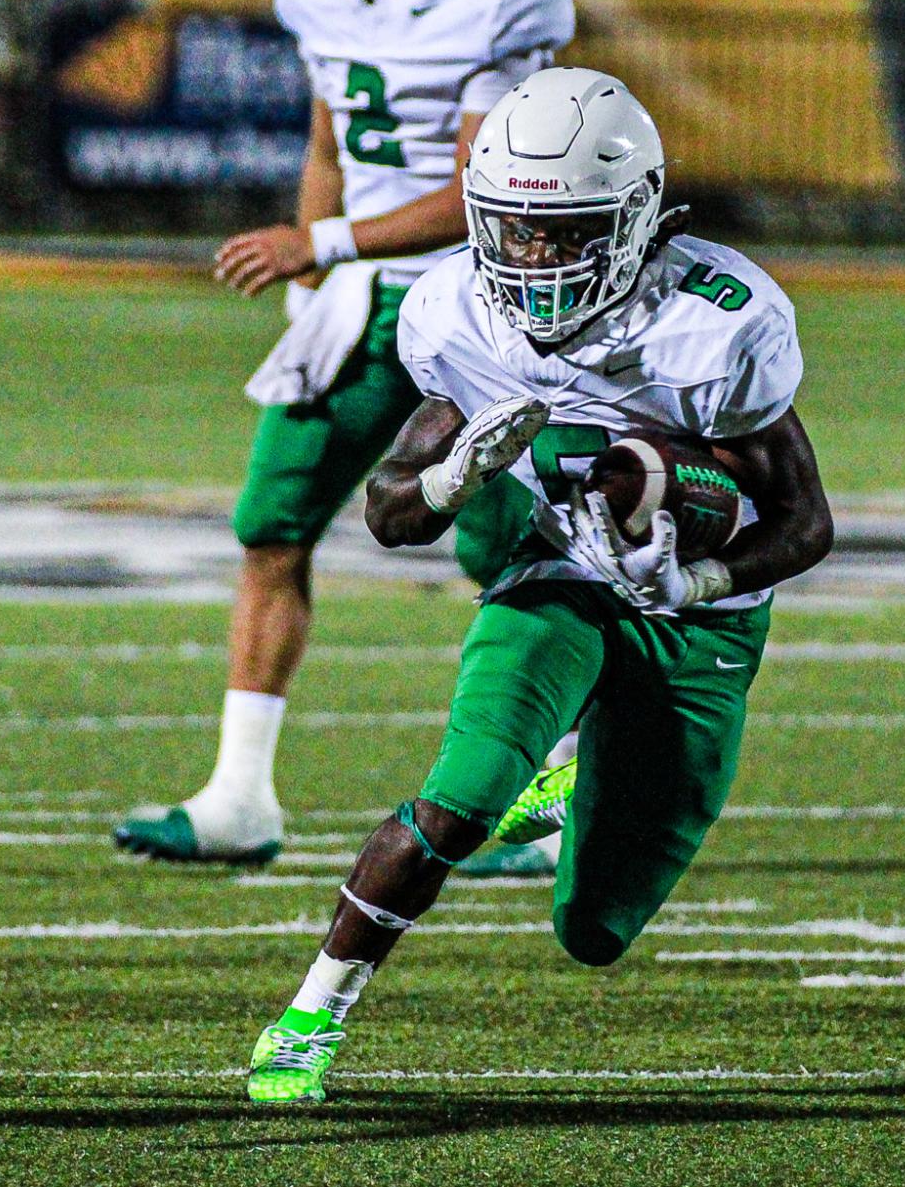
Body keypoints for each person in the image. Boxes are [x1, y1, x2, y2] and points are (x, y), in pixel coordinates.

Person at [244, 66, 832, 1105]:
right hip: (558, 575)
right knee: (460, 802)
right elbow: (390, 515)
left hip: (704, 623)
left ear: (639, 216)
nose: (534, 257)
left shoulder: (717, 321)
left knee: (594, 931)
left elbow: (805, 522)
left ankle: (572, 786)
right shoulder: (454, 314)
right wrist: (450, 471)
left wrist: (696, 577)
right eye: (512, 229)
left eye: (565, 233)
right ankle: (309, 1016)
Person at [114, 0, 575, 866]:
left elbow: (482, 191)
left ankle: (549, 800)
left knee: (515, 553)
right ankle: (238, 800)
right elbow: (329, 134)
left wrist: (315, 245)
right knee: (270, 523)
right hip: (366, 298)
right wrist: (317, 294)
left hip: (477, 311)